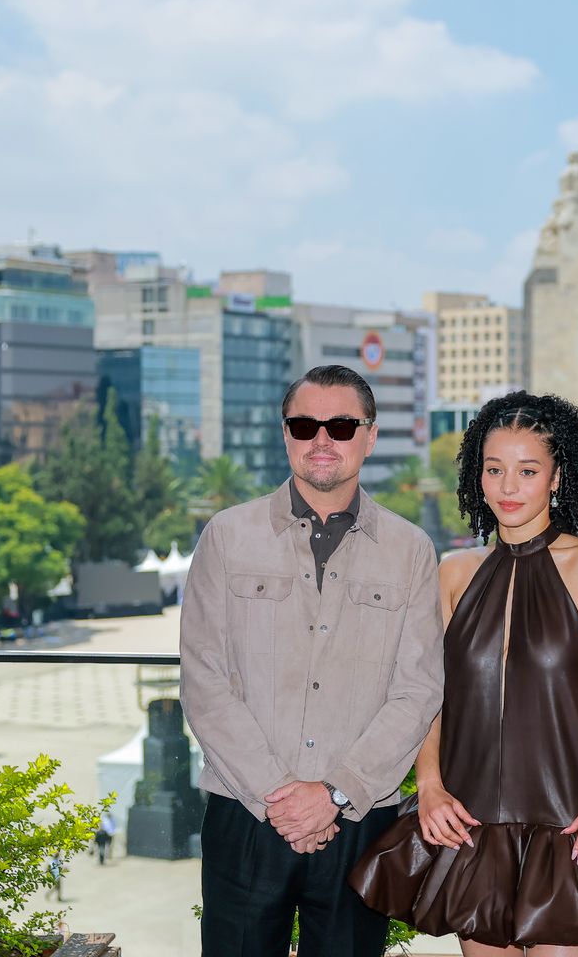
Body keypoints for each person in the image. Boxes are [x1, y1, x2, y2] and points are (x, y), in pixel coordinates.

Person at [350, 392, 578, 954]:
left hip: (570, 820)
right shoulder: (452, 572)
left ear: (557, 477)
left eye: (527, 470)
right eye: (494, 469)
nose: (508, 487)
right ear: (476, 476)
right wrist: (430, 786)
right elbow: (424, 691)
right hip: (470, 818)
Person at [180, 364, 444, 957]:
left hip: (357, 821)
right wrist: (282, 796)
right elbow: (203, 682)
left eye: (342, 425)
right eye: (305, 425)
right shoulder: (225, 537)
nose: (322, 439)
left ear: (370, 437)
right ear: (285, 434)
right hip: (245, 813)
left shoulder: (411, 552)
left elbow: (419, 691)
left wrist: (334, 794)